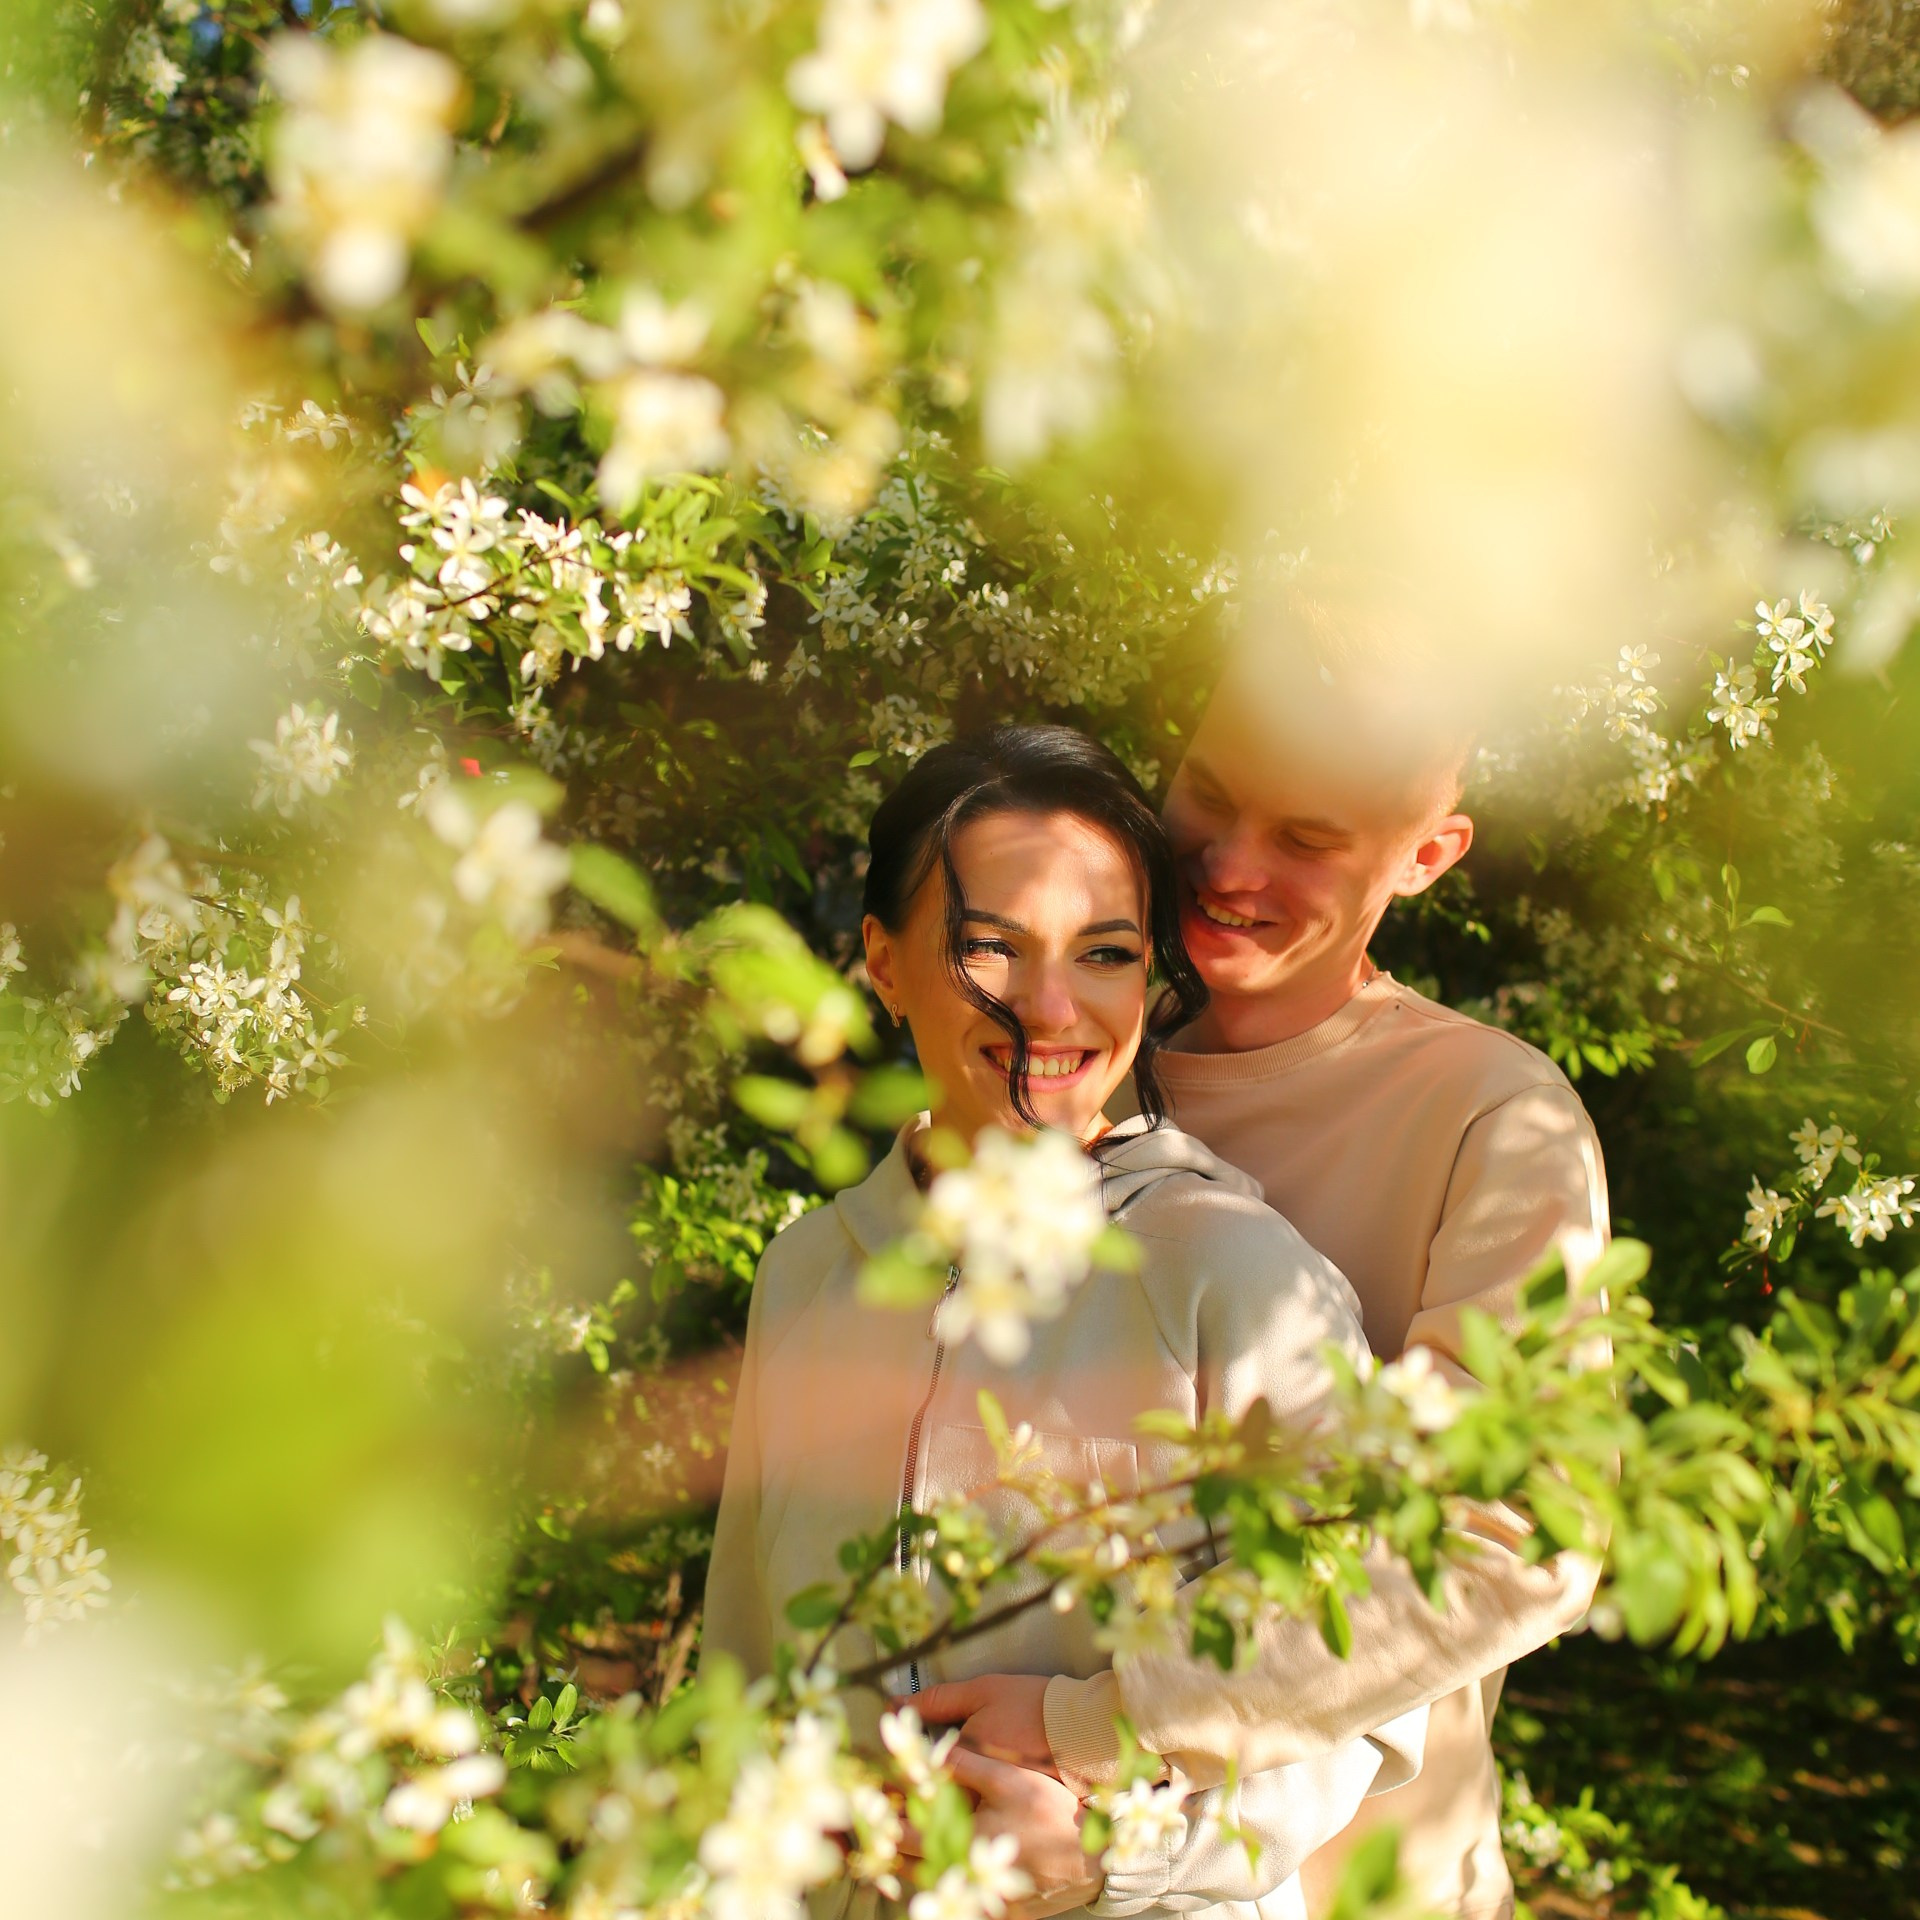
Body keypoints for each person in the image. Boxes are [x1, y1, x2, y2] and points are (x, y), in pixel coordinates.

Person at [909, 596, 1610, 1920]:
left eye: (1307, 838)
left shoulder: (1495, 1120)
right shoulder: (1065, 1053)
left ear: (1429, 854)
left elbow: (1525, 1539)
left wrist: (1100, 1730)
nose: (1227, 866)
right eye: (1210, 797)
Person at [701, 724, 1429, 1920]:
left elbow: (1369, 1682)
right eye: (989, 946)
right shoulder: (808, 1274)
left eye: (1104, 953)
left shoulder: (1229, 1274)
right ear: (883, 961)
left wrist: (1106, 1859)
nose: (1051, 1008)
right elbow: (745, 1667)